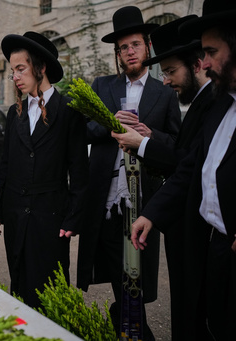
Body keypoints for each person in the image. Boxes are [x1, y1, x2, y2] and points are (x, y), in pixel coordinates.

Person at [131, 1, 236, 340]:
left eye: (210, 52)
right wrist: (153, 213)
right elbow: (192, 165)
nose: (203, 63)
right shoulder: (224, 105)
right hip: (217, 250)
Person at [75, 6, 181, 340]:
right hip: (107, 203)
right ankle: (128, 324)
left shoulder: (164, 93)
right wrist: (109, 124)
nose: (129, 51)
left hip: (143, 203)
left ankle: (128, 325)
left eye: (135, 44)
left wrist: (149, 135)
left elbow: (177, 148)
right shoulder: (102, 85)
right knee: (118, 274)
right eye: (123, 47)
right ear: (117, 54)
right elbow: (82, 129)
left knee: (136, 276)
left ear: (147, 46)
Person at [111, 15, 214, 340]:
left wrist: (142, 142)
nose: (166, 80)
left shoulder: (213, 103)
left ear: (198, 64)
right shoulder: (202, 103)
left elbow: (187, 164)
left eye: (170, 71)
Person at [0, 32, 89, 308]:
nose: (16, 77)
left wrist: (72, 219)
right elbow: (6, 166)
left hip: (50, 218)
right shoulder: (14, 112)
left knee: (50, 291)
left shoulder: (68, 110)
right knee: (19, 286)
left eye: (21, 69)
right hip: (16, 215)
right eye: (13, 71)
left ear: (40, 68)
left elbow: (79, 171)